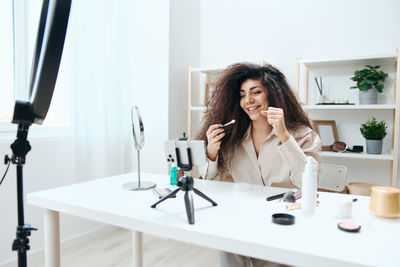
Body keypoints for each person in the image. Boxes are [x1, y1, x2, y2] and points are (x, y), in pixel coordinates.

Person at [197, 63, 321, 267]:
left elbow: (309, 183)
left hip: (287, 222)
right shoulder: (233, 137)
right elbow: (211, 181)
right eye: (242, 94)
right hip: (246, 221)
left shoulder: (303, 135)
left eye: (256, 92)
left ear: (273, 95)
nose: (249, 101)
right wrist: (211, 151)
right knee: (226, 240)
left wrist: (283, 136)